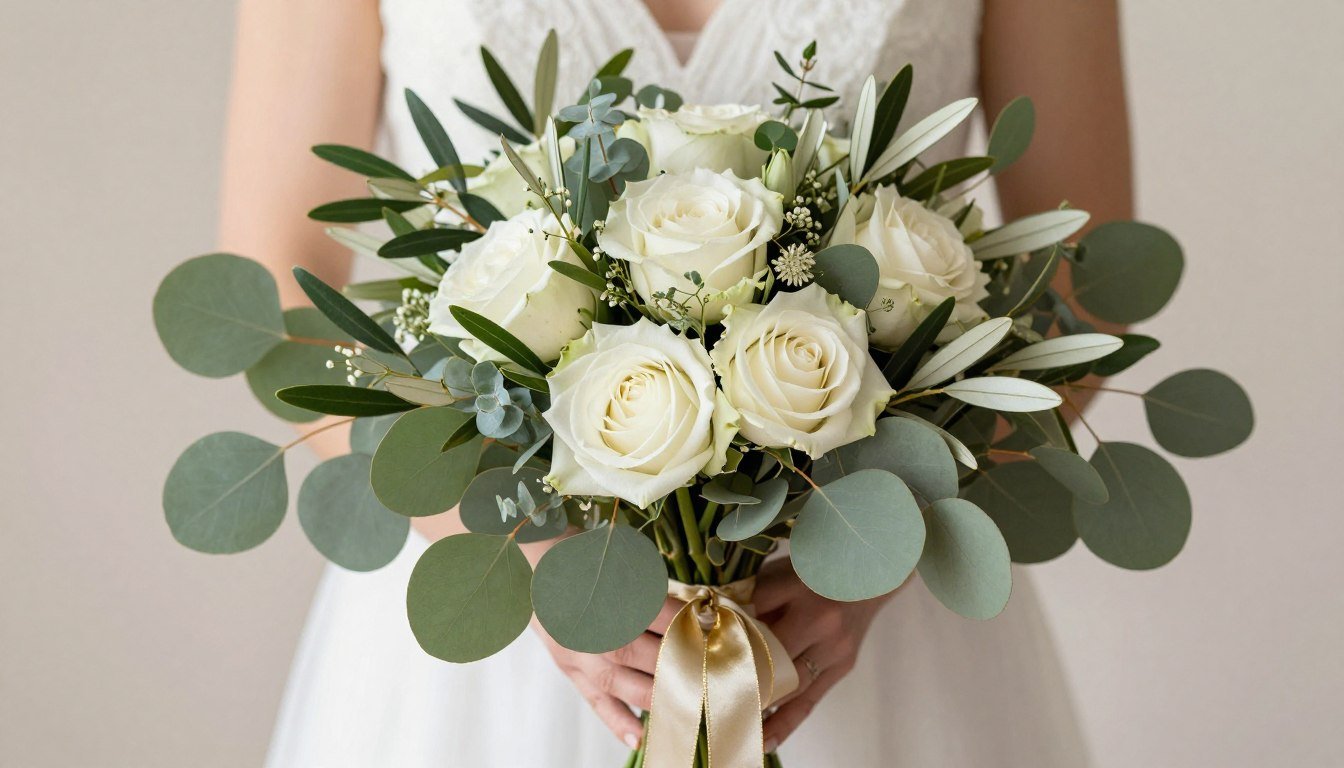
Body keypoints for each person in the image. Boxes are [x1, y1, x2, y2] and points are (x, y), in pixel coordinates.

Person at [220, 1, 1132, 764]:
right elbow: (276, 299)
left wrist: (875, 557)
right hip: (492, 613)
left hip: (862, 618)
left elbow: (1086, 289)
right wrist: (522, 556)